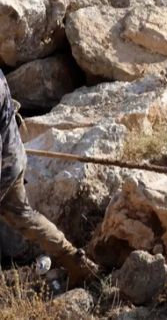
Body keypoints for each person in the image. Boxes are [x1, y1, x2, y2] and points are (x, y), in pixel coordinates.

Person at [0, 70, 99, 287]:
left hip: (4, 167)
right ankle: (75, 260)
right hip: (13, 157)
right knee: (24, 216)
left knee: (22, 216)